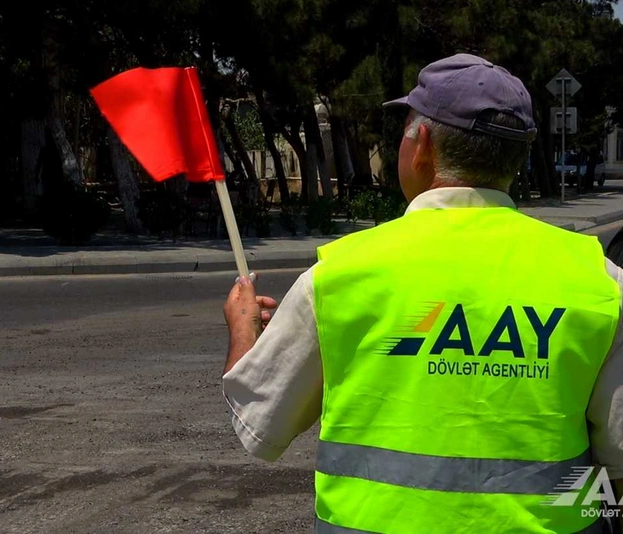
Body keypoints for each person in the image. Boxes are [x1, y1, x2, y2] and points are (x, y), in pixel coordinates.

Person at [222, 54, 623, 533]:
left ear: (423, 146)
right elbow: (617, 465)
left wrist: (243, 331)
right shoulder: (597, 278)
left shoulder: (341, 275)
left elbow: (260, 426)